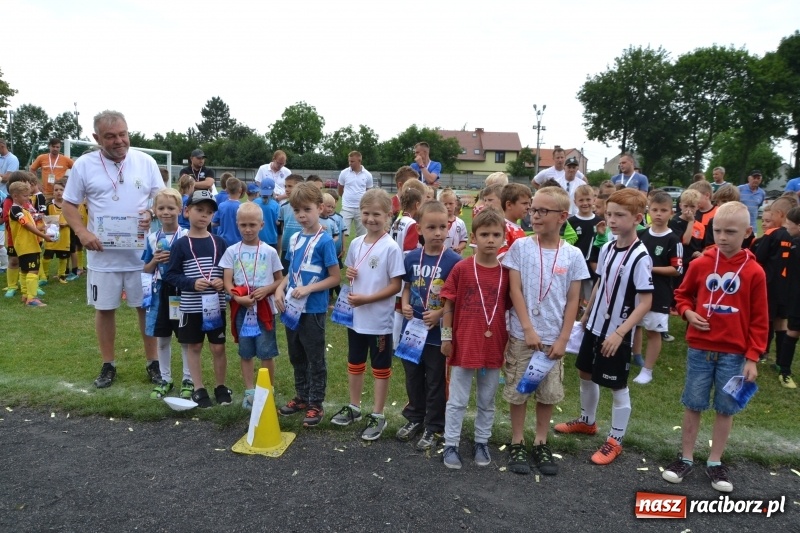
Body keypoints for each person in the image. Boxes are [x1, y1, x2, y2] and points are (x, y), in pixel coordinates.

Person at [663, 201, 767, 493]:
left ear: (747, 232)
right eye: (717, 230)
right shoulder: (701, 264)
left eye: (730, 232)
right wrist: (687, 313)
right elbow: (682, 296)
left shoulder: (754, 272)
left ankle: (715, 461)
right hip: (700, 350)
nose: (722, 237)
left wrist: (753, 356)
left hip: (734, 355)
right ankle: (685, 457)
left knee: (726, 407)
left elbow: (761, 319)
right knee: (693, 403)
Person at [62, 110, 163, 388]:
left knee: (145, 307)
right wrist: (82, 232)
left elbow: (164, 199)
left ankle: (153, 363)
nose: (119, 141)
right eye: (111, 136)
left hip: (142, 257)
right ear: (96, 138)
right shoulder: (84, 165)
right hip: (102, 255)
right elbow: (69, 205)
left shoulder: (145, 161)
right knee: (105, 309)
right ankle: (108, 364)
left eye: (123, 134)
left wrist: (152, 212)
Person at [554, 188, 653, 466]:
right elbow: (601, 281)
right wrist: (586, 315)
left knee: (617, 386)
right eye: (609, 214)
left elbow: (645, 302)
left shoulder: (641, 256)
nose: (611, 220)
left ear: (636, 218)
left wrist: (621, 333)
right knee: (585, 372)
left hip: (617, 332)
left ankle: (615, 440)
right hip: (594, 325)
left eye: (619, 215)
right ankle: (587, 422)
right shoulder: (608, 246)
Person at [502, 187, 589, 475]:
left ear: (562, 216)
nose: (535, 215)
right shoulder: (520, 247)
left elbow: (574, 300)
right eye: (533, 209)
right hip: (522, 335)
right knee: (518, 391)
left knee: (548, 394)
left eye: (542, 211)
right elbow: (514, 290)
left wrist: (564, 338)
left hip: (553, 340)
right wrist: (527, 328)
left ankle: (540, 441)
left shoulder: (573, 255)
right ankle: (517, 441)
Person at [330, 189, 405, 440]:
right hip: (356, 318)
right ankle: (354, 407)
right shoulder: (355, 243)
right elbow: (354, 270)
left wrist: (367, 299)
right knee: (355, 363)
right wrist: (350, 274)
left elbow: (396, 286)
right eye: (366, 213)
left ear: (388, 215)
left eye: (377, 214)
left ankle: (378, 414)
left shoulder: (391, 248)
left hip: (379, 321)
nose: (370, 219)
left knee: (380, 367)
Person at [440, 208, 511, 469]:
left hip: (493, 346)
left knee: (487, 400)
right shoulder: (462, 269)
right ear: (473, 236)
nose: (490, 240)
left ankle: (482, 441)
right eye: (484, 234)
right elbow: (447, 305)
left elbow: (511, 309)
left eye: (495, 234)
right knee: (457, 399)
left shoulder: (507, 273)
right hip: (464, 344)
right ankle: (451, 444)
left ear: (504, 237)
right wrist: (446, 338)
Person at [397, 201, 461, 450]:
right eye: (431, 227)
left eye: (442, 227)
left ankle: (434, 426)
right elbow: (407, 287)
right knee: (413, 377)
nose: (437, 233)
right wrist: (404, 304)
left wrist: (438, 315)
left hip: (436, 336)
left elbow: (455, 302)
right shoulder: (412, 257)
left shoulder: (454, 261)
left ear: (448, 228)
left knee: (435, 380)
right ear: (419, 230)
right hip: (411, 332)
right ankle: (415, 417)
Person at [275, 183, 341, 427]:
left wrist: (309, 289)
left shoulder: (324, 241)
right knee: (296, 354)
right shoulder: (293, 239)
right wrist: (280, 289)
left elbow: (335, 278)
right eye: (297, 210)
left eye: (307, 209)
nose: (302, 215)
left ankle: (316, 403)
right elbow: (290, 272)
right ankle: (301, 396)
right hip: (292, 307)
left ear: (320, 208)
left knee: (314, 357)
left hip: (312, 309)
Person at [164, 189, 231, 408]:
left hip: (215, 305)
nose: (204, 215)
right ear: (186, 211)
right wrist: (191, 284)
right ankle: (199, 388)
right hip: (191, 307)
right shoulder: (181, 244)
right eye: (199, 210)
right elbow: (170, 275)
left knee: (218, 347)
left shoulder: (219, 243)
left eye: (209, 212)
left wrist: (223, 282)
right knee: (193, 346)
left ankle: (221, 386)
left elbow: (228, 271)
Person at [221, 202, 284, 409]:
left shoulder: (270, 251)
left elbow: (279, 280)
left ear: (262, 225)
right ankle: (250, 391)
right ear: (237, 224)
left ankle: (267, 389)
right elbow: (228, 281)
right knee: (245, 351)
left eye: (252, 225)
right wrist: (237, 298)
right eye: (243, 225)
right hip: (242, 308)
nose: (247, 229)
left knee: (266, 351)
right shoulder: (232, 251)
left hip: (263, 307)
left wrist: (266, 290)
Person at [141, 188, 192, 400]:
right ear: (154, 210)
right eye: (161, 208)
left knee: (185, 338)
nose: (166, 212)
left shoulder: (187, 236)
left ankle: (188, 378)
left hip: (181, 291)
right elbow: (146, 268)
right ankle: (165, 378)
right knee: (162, 338)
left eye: (171, 208)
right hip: (160, 292)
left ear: (181, 210)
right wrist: (156, 260)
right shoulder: (153, 238)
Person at [631, 191, 682, 384]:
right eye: (655, 210)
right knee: (633, 326)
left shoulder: (673, 240)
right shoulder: (641, 234)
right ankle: (634, 357)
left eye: (663, 210)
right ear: (648, 211)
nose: (658, 214)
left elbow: (677, 269)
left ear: (671, 212)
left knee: (653, 331)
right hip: (636, 291)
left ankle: (647, 370)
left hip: (658, 293)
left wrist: (650, 268)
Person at [752, 197, 795, 364]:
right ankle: (780, 359)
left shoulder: (772, 234)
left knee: (767, 319)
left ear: (779, 214)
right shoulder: (793, 236)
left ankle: (763, 351)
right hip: (787, 287)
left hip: (769, 285)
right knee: (782, 322)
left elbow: (758, 258)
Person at [8, 181, 54, 306]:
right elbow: (27, 226)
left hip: (25, 245)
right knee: (33, 270)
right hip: (27, 245)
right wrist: (44, 236)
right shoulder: (16, 209)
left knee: (24, 270)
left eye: (28, 195)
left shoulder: (22, 209)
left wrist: (43, 228)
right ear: (15, 196)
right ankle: (32, 298)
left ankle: (25, 295)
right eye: (25, 196)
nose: (28, 198)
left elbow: (29, 227)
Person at [776, 206, 800, 388]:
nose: (786, 227)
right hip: (795, 296)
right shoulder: (793, 244)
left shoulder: (795, 245)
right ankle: (784, 371)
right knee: (793, 331)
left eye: (789, 224)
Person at [568, 184, 601, 303]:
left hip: (592, 267)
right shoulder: (570, 222)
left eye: (588, 199)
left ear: (594, 200)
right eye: (581, 200)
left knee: (590, 298)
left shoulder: (600, 221)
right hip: (575, 266)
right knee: (574, 298)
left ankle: (587, 319)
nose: (585, 203)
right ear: (575, 202)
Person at [337, 151, 373, 237]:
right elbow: (340, 189)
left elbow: (369, 193)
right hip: (346, 208)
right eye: (349, 161)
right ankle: (342, 250)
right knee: (342, 232)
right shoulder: (344, 173)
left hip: (361, 209)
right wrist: (346, 198)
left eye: (352, 161)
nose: (350, 163)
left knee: (362, 235)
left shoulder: (368, 175)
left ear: (359, 160)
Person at [42, 180, 72, 284]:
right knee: (47, 257)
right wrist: (52, 224)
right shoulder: (49, 205)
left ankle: (62, 275)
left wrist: (66, 224)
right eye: (56, 190)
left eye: (61, 190)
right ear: (53, 192)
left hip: (64, 236)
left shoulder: (69, 205)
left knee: (63, 257)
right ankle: (44, 276)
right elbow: (44, 219)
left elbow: (75, 219)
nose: (59, 192)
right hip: (51, 236)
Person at [276, 174, 304, 274]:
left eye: (290, 186)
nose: (287, 189)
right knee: (286, 274)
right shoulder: (283, 207)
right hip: (286, 246)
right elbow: (282, 227)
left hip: (302, 246)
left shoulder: (306, 207)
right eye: (285, 186)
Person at [497, 183, 532, 260]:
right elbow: (502, 257)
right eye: (524, 203)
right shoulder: (502, 227)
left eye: (529, 204)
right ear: (509, 205)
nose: (528, 207)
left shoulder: (517, 227)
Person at [211, 177, 243, 246]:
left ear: (227, 190)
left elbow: (213, 223)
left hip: (224, 241)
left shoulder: (222, 206)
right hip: (238, 241)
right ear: (240, 190)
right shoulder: (242, 207)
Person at [737, 170, 766, 235]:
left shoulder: (762, 193)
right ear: (749, 178)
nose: (756, 180)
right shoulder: (739, 189)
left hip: (753, 227)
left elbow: (758, 206)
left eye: (758, 178)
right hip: (739, 225)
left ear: (761, 180)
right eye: (754, 178)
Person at [253, 178, 279, 249]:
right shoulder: (275, 205)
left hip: (256, 238)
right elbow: (278, 222)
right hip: (271, 239)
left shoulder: (254, 202)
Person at [440, 188, 468, 254]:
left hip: (456, 257)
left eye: (450, 203)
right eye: (445, 204)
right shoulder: (437, 222)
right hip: (440, 256)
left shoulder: (460, 223)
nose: (448, 206)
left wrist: (459, 248)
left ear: (455, 204)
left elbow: (464, 240)